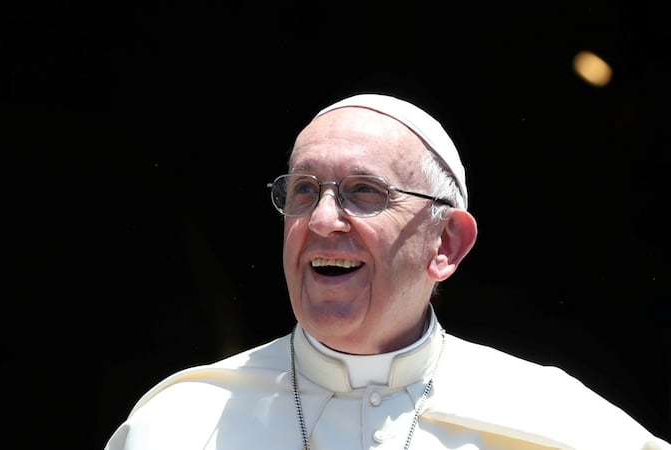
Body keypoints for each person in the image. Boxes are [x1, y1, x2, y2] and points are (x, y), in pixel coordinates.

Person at [103, 92, 670, 449]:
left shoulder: (564, 426)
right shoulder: (179, 423)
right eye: (304, 190)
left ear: (446, 242)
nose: (323, 219)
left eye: (364, 193)